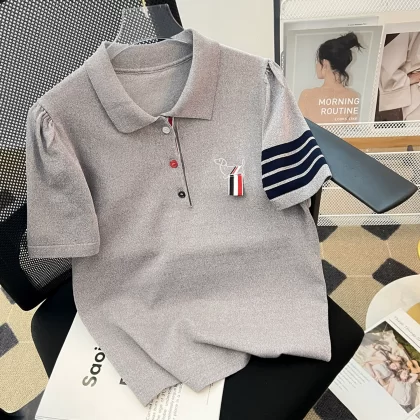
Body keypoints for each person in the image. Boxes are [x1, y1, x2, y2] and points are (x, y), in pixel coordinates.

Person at [298, 32, 363, 124]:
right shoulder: (353, 96)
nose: (316, 65)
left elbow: (299, 130)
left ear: (324, 63)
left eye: (317, 61)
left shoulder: (306, 96)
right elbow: (351, 131)